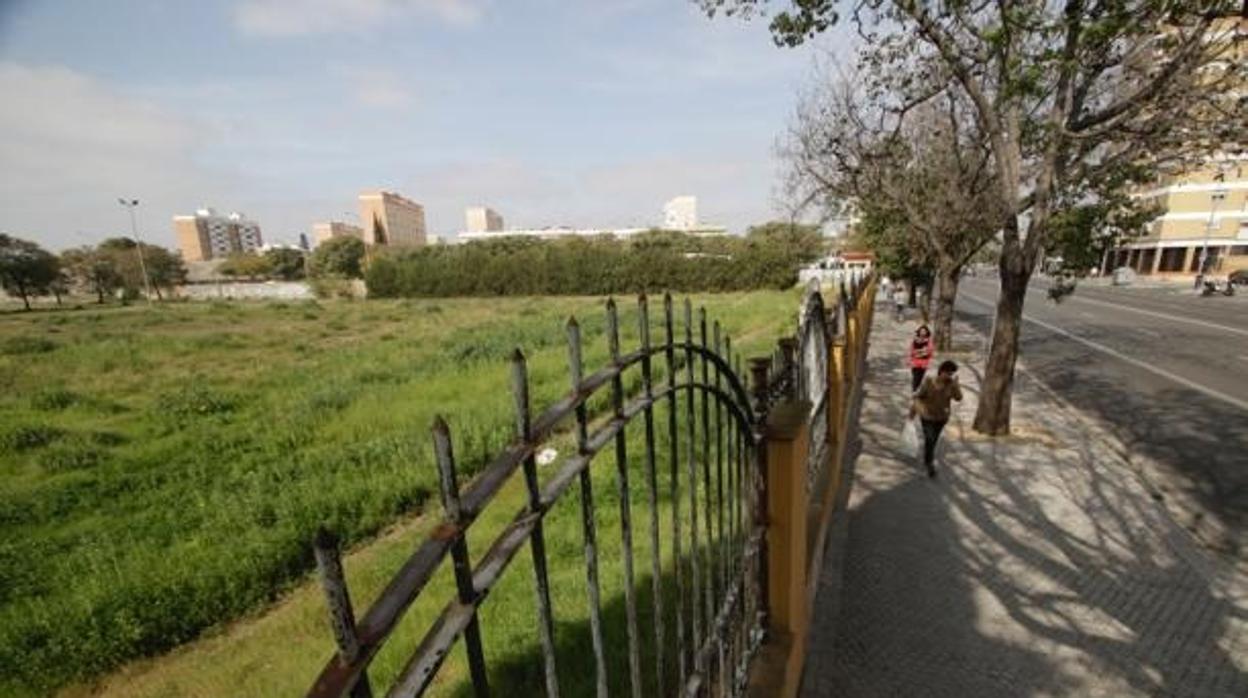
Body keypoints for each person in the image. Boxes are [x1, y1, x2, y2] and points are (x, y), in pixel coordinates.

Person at [909, 360, 963, 478]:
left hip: (941, 417)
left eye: (951, 373)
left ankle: (929, 457)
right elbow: (919, 395)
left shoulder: (951, 384)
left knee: (933, 440)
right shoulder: (929, 381)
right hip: (927, 415)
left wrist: (956, 385)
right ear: (941, 371)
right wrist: (912, 412)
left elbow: (958, 398)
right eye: (947, 373)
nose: (949, 375)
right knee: (930, 438)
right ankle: (929, 463)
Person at [909, 325, 933, 391]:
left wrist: (919, 352)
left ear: (927, 332)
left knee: (919, 379)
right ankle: (914, 392)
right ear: (919, 332)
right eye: (921, 331)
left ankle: (916, 392)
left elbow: (929, 351)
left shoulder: (928, 341)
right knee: (915, 378)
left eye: (924, 331)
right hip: (915, 363)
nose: (922, 333)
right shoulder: (915, 340)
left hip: (923, 364)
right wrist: (922, 352)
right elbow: (912, 351)